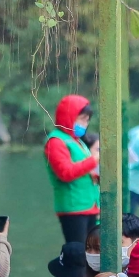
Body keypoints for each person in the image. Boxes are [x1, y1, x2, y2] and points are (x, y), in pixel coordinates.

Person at [44, 94, 101, 244]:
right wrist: (94, 160)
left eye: (87, 120)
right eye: (81, 119)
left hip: (90, 204)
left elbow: (83, 169)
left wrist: (95, 175)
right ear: (69, 116)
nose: (85, 124)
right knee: (77, 252)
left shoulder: (77, 141)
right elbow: (65, 173)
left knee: (92, 251)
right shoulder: (56, 141)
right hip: (73, 207)